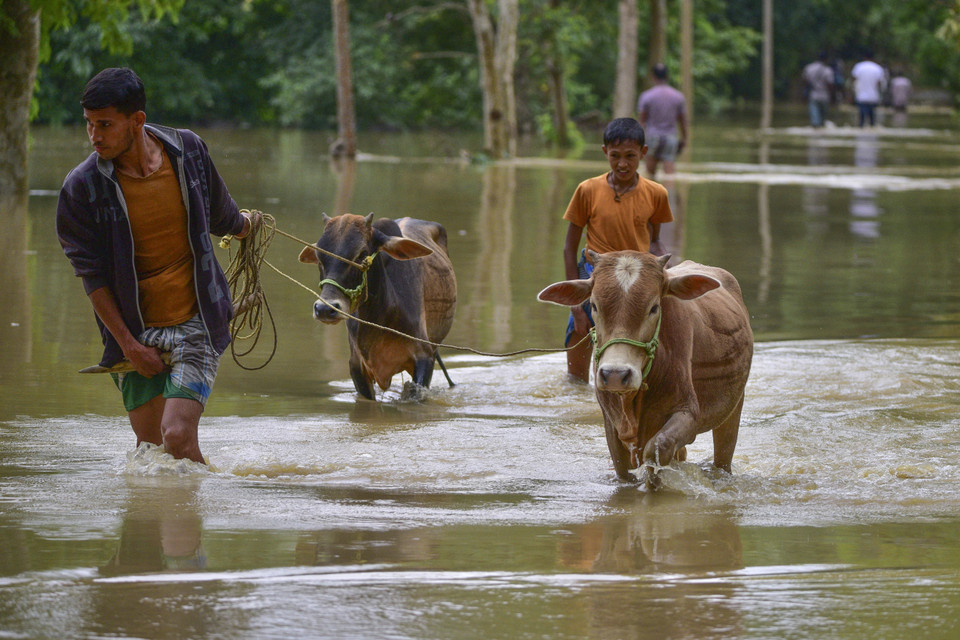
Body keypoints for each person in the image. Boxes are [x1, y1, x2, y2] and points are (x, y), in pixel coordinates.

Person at [56, 68, 258, 463]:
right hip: (134, 330)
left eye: (105, 124)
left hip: (196, 318)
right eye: (89, 125)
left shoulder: (188, 152)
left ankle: (195, 512)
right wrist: (130, 347)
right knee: (151, 451)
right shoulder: (81, 189)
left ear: (137, 121)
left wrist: (247, 226)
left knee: (177, 436)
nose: (95, 136)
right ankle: (161, 519)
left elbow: (222, 214)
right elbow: (92, 278)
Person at [560, 117, 673, 383]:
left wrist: (663, 269)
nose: (622, 163)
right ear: (604, 153)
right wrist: (576, 305)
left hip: (637, 277)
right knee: (580, 332)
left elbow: (655, 240)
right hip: (597, 272)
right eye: (615, 156)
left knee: (650, 332)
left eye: (630, 156)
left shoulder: (656, 193)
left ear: (643, 153)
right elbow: (569, 246)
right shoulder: (587, 190)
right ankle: (576, 387)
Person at [637, 63, 688, 178]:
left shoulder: (646, 96)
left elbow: (642, 122)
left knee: (649, 176)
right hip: (671, 138)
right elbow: (683, 121)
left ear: (653, 77)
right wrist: (684, 138)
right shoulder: (678, 96)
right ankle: (670, 194)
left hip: (652, 137)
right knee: (669, 176)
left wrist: (638, 141)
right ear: (667, 76)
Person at [851, 50, 887, 127]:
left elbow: (853, 80)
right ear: (873, 58)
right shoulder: (878, 68)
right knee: (872, 119)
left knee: (861, 119)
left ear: (864, 57)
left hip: (861, 96)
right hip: (873, 96)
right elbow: (879, 83)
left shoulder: (858, 67)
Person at [802, 52, 836, 128]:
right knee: (822, 119)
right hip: (825, 96)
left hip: (813, 95)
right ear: (826, 59)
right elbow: (830, 84)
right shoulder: (828, 70)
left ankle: (815, 131)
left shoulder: (809, 68)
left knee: (815, 119)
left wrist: (805, 93)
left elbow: (804, 81)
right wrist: (833, 96)